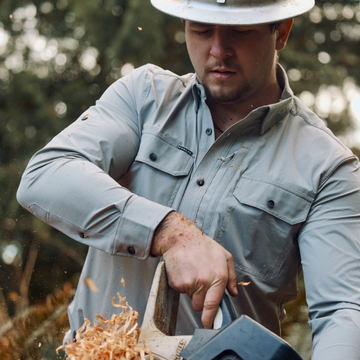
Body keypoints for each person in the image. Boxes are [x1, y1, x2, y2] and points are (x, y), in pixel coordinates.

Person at [17, 0, 360, 358]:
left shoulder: (327, 166)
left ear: (282, 32)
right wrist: (169, 233)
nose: (218, 50)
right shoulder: (143, 98)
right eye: (201, 30)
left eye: (240, 32)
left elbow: (341, 312)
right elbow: (46, 175)